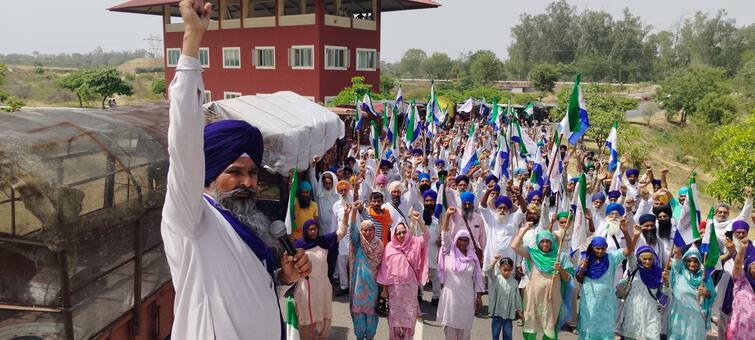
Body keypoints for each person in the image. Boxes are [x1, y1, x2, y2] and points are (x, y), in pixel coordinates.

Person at [161, 2, 310, 339]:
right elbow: (184, 144)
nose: (247, 182)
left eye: (253, 173)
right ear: (209, 172)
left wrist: (282, 278)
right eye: (235, 171)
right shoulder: (192, 219)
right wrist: (191, 41)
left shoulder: (243, 225)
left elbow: (246, 298)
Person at [574, 219, 636, 340]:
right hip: (589, 301)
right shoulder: (585, 260)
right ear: (592, 248)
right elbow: (579, 278)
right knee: (589, 328)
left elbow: (630, 249)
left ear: (606, 247)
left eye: (603, 248)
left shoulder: (612, 257)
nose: (600, 251)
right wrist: (582, 269)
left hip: (606, 302)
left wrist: (625, 232)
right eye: (597, 248)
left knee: (605, 330)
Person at [511, 223, 574, 340]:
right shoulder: (533, 254)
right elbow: (514, 246)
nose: (545, 244)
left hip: (552, 298)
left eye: (548, 241)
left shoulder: (561, 256)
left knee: (549, 326)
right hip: (533, 296)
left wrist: (560, 268)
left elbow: (568, 279)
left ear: (552, 242)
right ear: (538, 243)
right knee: (531, 323)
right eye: (542, 241)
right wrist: (524, 230)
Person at [292, 216, 349, 340]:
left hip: (323, 284)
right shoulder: (298, 245)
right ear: (305, 231)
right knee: (307, 316)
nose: (313, 231)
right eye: (310, 229)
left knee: (324, 314)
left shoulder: (324, 241)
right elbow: (291, 265)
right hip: (306, 285)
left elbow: (342, 231)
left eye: (315, 229)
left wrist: (347, 214)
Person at [376, 212, 430, 340]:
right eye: (398, 233)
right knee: (394, 320)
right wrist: (384, 289)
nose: (401, 235)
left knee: (408, 319)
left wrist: (420, 222)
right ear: (394, 234)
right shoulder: (389, 247)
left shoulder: (414, 243)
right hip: (394, 289)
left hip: (410, 289)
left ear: (407, 232)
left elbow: (426, 237)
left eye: (403, 232)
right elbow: (384, 268)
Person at [437, 207, 485, 340]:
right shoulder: (449, 251)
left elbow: (477, 278)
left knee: (465, 333)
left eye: (465, 240)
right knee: (450, 333)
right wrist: (447, 217)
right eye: (460, 239)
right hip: (451, 299)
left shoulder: (472, 256)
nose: (463, 242)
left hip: (467, 300)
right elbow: (445, 234)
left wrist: (479, 297)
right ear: (456, 239)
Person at [346, 201, 385, 340]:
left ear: (374, 231)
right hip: (358, 288)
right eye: (364, 230)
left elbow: (383, 267)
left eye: (370, 229)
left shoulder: (380, 246)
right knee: (359, 317)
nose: (367, 232)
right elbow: (352, 229)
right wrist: (354, 211)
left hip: (373, 287)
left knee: (371, 317)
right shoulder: (358, 243)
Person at [620, 246, 671, 340]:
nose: (647, 262)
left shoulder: (659, 273)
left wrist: (666, 282)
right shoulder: (634, 268)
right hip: (633, 312)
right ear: (639, 259)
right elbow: (630, 254)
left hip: (651, 313)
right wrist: (630, 234)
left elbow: (664, 294)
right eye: (644, 259)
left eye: (650, 259)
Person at [667, 246, 716, 340]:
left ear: (699, 262)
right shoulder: (679, 273)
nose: (692, 264)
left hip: (696, 320)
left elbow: (713, 295)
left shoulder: (705, 278)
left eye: (695, 261)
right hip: (679, 319)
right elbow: (677, 260)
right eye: (689, 261)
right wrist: (677, 251)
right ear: (685, 261)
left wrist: (707, 293)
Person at [486, 256, 523, 340]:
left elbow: (517, 297)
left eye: (509, 270)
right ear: (500, 268)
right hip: (497, 313)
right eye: (504, 270)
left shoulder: (514, 282)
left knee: (508, 335)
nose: (506, 272)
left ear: (512, 269)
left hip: (508, 314)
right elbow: (487, 271)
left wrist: (519, 310)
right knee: (495, 335)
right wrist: (494, 261)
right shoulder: (496, 279)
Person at [725, 237, 755, 340]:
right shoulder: (741, 280)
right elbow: (737, 266)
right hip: (737, 332)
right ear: (748, 267)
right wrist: (741, 251)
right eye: (754, 266)